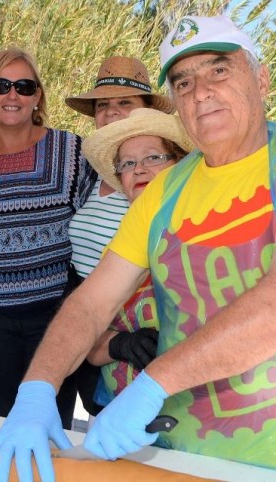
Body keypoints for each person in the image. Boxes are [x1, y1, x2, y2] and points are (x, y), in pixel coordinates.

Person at [0, 15, 276, 482]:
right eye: (183, 81)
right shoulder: (165, 192)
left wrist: (150, 386)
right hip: (174, 450)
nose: (200, 91)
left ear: (261, 78)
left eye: (219, 70)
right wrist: (37, 390)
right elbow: (91, 302)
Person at [0, 47, 97, 429]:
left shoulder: (71, 149)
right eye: (1, 85)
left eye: (24, 86)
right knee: (4, 418)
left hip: (55, 318)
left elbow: (102, 225)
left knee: (51, 423)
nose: (12, 95)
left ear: (37, 96)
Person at [65, 56, 174, 417]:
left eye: (124, 103)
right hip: (91, 313)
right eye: (103, 105)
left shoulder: (159, 182)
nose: (111, 112)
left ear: (146, 110)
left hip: (142, 317)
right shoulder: (96, 175)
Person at [81, 108, 192, 408]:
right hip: (119, 412)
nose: (139, 169)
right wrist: (121, 345)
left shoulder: (206, 237)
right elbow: (88, 344)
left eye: (153, 157)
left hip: (196, 419)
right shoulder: (115, 251)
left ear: (181, 164)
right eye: (128, 163)